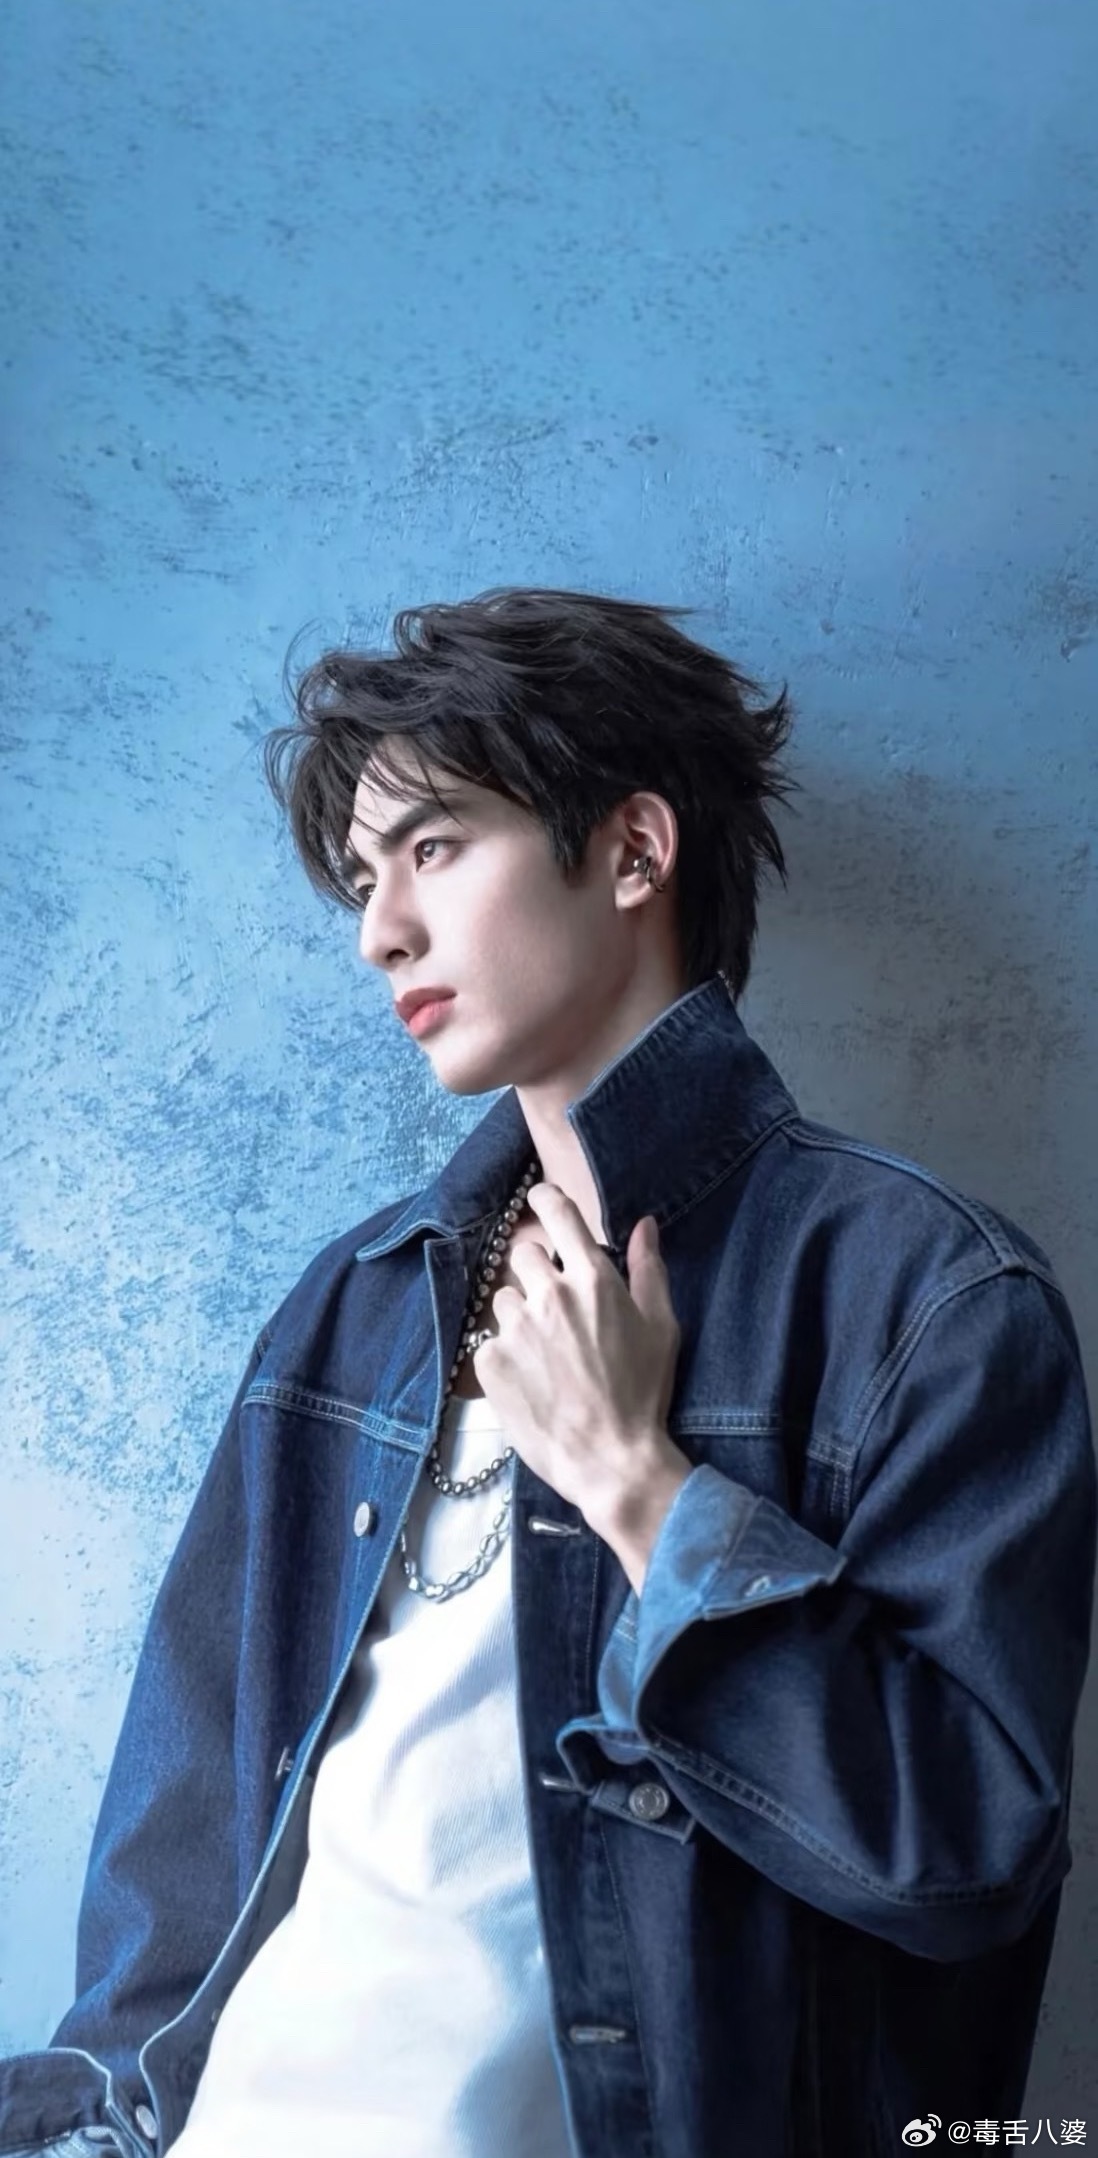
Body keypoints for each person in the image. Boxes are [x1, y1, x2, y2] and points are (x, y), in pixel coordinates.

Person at [1, 585, 1094, 2158]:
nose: (381, 928)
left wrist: (646, 1492)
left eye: (436, 847)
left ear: (633, 850)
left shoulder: (925, 1300)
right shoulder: (354, 1306)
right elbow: (179, 1844)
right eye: (365, 878)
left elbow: (968, 1855)